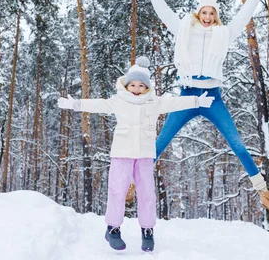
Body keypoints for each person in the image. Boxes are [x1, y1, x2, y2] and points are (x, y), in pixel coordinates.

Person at [139, 0, 269, 219]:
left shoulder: (223, 34)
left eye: (211, 13)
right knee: (160, 142)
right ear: (199, 12)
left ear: (216, 15)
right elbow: (162, 10)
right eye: (204, 12)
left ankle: (264, 193)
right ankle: (134, 183)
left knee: (237, 144)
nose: (207, 16)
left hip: (212, 98)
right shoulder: (184, 29)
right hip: (186, 96)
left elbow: (244, 14)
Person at [58, 56, 214, 252]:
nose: (137, 89)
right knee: (117, 191)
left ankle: (147, 230)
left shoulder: (154, 102)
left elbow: (175, 103)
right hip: (122, 153)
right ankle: (112, 228)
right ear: (127, 84)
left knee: (147, 193)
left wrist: (197, 100)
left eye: (141, 85)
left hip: (145, 155)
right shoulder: (118, 101)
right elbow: (98, 105)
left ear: (147, 87)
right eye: (133, 84)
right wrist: (76, 104)